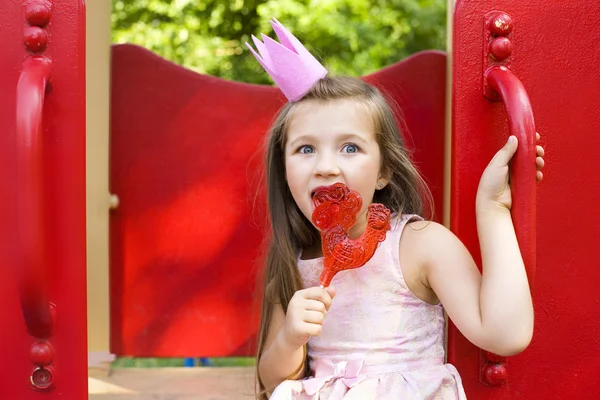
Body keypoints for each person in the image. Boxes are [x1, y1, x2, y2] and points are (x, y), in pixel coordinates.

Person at [247, 20, 545, 399]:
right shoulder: (295, 265)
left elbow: (505, 334)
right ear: (284, 170)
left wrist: (493, 211)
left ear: (384, 170)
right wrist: (291, 337)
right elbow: (272, 380)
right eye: (305, 149)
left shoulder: (418, 245)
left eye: (350, 148)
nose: (325, 166)